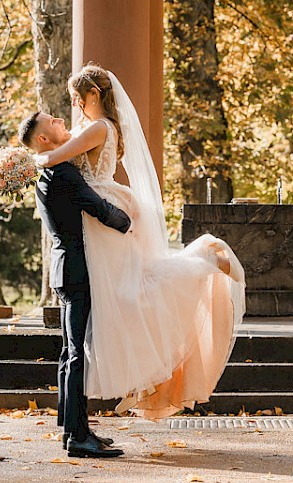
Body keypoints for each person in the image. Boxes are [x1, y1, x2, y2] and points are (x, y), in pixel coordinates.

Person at [24, 63, 245, 421]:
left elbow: (54, 157)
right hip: (98, 215)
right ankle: (138, 384)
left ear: (94, 95)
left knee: (131, 293)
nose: (75, 104)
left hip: (104, 214)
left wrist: (21, 161)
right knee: (126, 294)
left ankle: (203, 260)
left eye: (77, 97)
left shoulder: (98, 127)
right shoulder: (92, 127)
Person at [19, 107, 132, 459]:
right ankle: (77, 436)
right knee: (76, 353)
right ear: (43, 139)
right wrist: (130, 220)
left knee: (70, 351)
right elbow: (97, 207)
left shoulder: (48, 174)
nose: (60, 121)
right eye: (53, 122)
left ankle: (73, 429)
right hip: (76, 270)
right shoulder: (63, 173)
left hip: (62, 268)